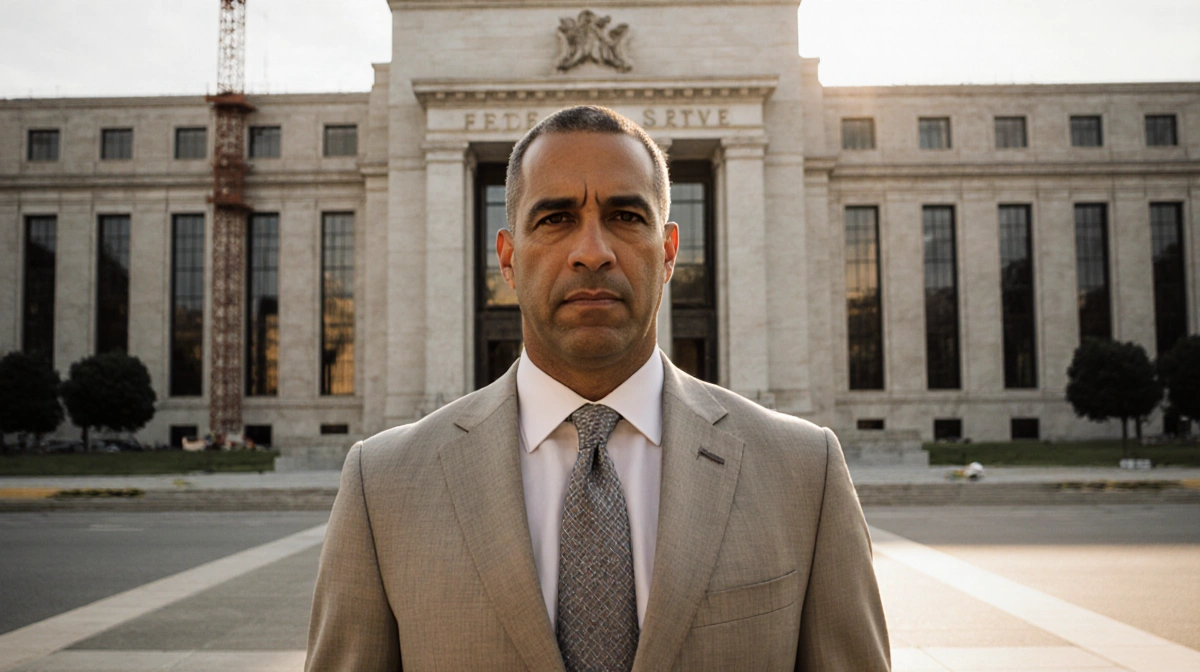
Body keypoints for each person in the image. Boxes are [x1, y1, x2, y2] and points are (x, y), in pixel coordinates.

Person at [305, 105, 890, 671]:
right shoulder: (382, 487)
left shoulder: (803, 473)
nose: (592, 252)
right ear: (507, 258)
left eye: (626, 216)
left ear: (667, 253)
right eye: (556, 218)